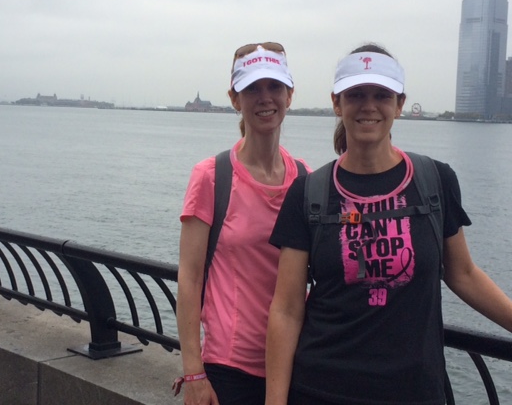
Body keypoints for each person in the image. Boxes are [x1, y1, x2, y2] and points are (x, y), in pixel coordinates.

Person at [265, 43, 512, 405]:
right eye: (356, 94)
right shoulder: (309, 193)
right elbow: (286, 309)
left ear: (399, 104)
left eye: (382, 95)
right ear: (337, 103)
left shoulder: (435, 181)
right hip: (321, 388)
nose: (369, 106)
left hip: (415, 392)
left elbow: (463, 274)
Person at [176, 42, 310, 405]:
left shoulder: (306, 181)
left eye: (274, 86)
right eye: (252, 88)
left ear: (289, 95)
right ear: (235, 99)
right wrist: (193, 372)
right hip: (229, 370)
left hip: (295, 363)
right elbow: (190, 278)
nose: (265, 98)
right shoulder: (211, 176)